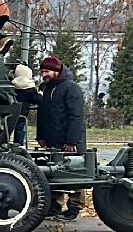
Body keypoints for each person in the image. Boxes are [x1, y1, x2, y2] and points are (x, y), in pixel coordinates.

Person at [26, 55, 89, 218]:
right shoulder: (47, 88)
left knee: (76, 173)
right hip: (52, 141)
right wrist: (41, 136)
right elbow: (42, 114)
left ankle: (74, 207)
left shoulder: (70, 87)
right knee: (53, 174)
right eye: (42, 72)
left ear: (56, 71)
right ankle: (54, 206)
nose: (44, 75)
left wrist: (71, 141)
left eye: (46, 71)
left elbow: (76, 116)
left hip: (69, 141)